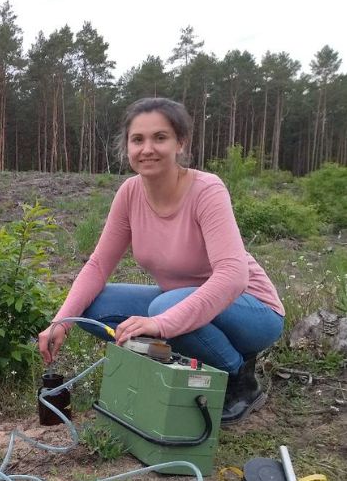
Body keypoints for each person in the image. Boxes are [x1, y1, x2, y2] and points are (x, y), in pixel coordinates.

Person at [37, 97, 284, 423]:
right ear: (127, 146)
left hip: (251, 312)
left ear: (180, 143)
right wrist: (63, 320)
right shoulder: (129, 193)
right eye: (137, 139)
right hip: (177, 302)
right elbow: (98, 264)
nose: (147, 148)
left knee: (163, 309)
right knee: (94, 307)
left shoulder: (207, 190)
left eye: (160, 137)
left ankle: (238, 377)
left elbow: (233, 275)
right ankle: (176, 361)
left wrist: (161, 324)